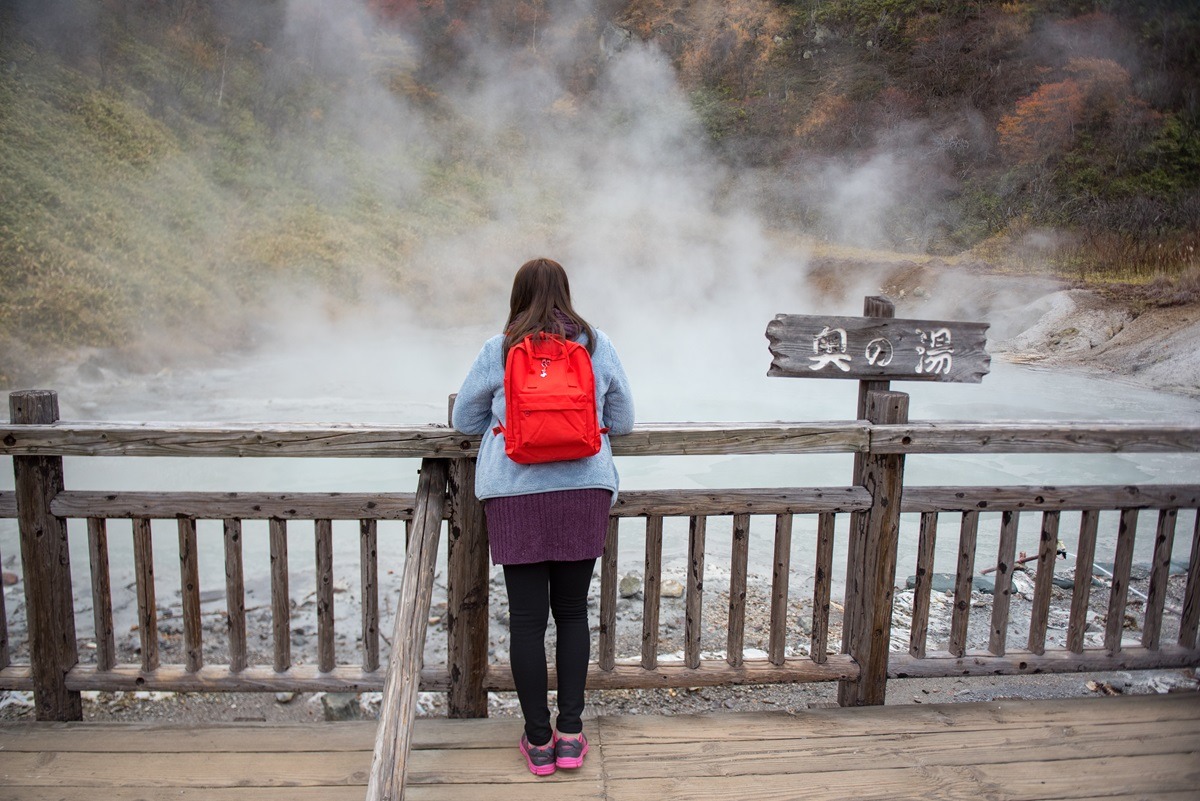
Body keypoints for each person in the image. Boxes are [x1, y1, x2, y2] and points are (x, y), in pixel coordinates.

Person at [452, 257, 634, 776]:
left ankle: (537, 742)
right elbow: (623, 421)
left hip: (513, 493)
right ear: (566, 294)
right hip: (583, 490)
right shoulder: (597, 346)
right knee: (573, 613)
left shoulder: (500, 347)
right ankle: (571, 735)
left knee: (528, 621)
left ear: (517, 296)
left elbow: (464, 420)